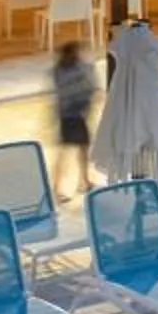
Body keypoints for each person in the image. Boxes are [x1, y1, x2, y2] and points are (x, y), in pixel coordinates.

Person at [48, 41, 97, 200]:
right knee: (65, 153)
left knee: (82, 149)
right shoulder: (67, 71)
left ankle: (84, 180)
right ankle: (57, 188)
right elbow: (87, 86)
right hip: (70, 115)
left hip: (76, 115)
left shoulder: (61, 70)